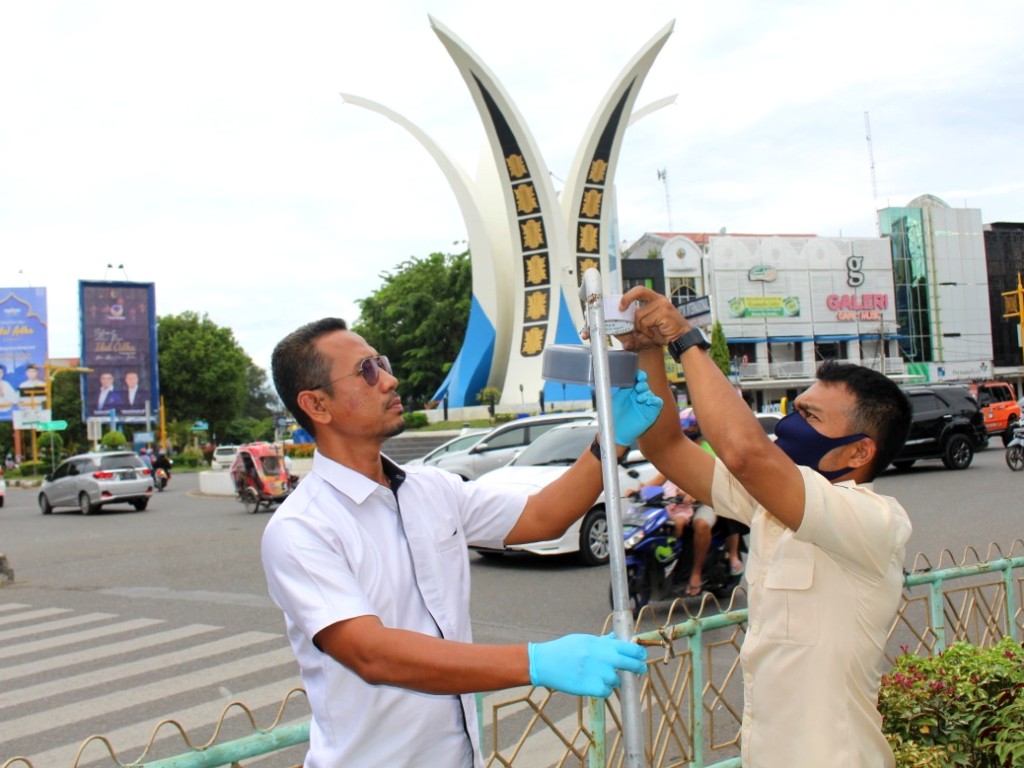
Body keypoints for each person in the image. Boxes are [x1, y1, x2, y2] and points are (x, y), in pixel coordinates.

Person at [261, 317, 659, 768]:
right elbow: (371, 653)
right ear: (317, 404)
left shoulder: (431, 489)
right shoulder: (302, 529)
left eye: (382, 364)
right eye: (366, 371)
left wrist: (611, 438)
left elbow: (542, 516)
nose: (390, 380)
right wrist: (533, 661)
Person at [616, 286, 913, 768]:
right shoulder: (771, 506)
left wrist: (685, 340)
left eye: (810, 416)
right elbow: (667, 447)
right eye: (795, 409)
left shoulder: (874, 520)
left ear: (860, 452)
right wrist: (649, 346)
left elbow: (745, 453)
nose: (791, 424)